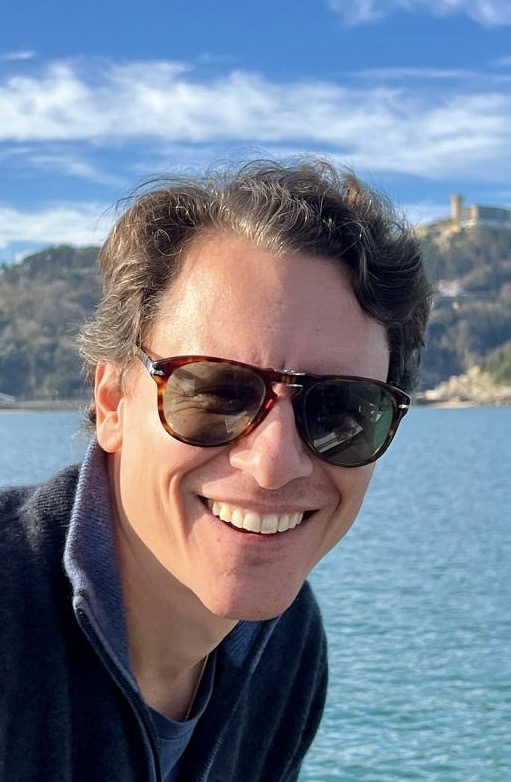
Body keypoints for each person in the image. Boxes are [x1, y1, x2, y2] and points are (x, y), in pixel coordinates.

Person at [0, 159, 431, 782]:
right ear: (113, 402)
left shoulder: (285, 646)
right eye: (216, 392)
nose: (274, 464)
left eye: (341, 409)